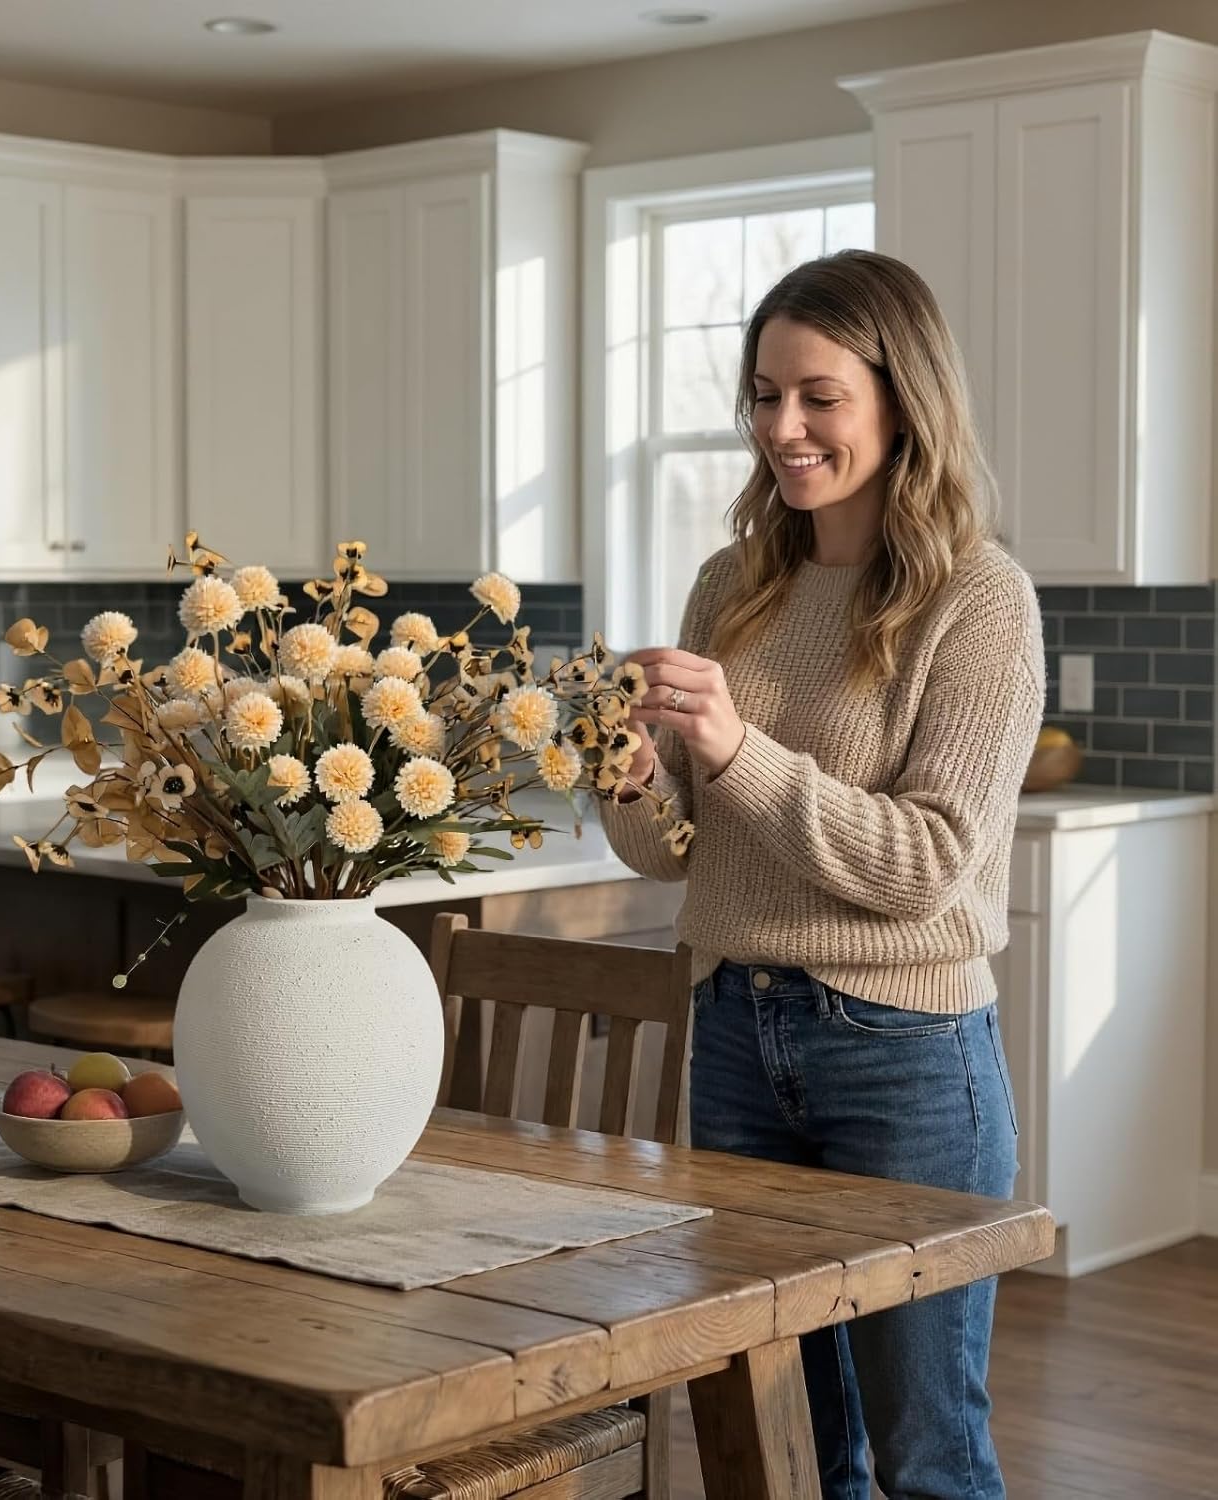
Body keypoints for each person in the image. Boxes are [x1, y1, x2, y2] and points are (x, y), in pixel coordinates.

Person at [602, 248, 1043, 1500]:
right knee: (793, 1443)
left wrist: (738, 746)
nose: (780, 429)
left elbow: (928, 864)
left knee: (927, 1453)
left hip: (905, 1050)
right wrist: (628, 766)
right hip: (735, 1027)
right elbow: (675, 851)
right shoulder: (730, 585)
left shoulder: (981, 599)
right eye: (761, 394)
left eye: (817, 396)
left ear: (902, 401)